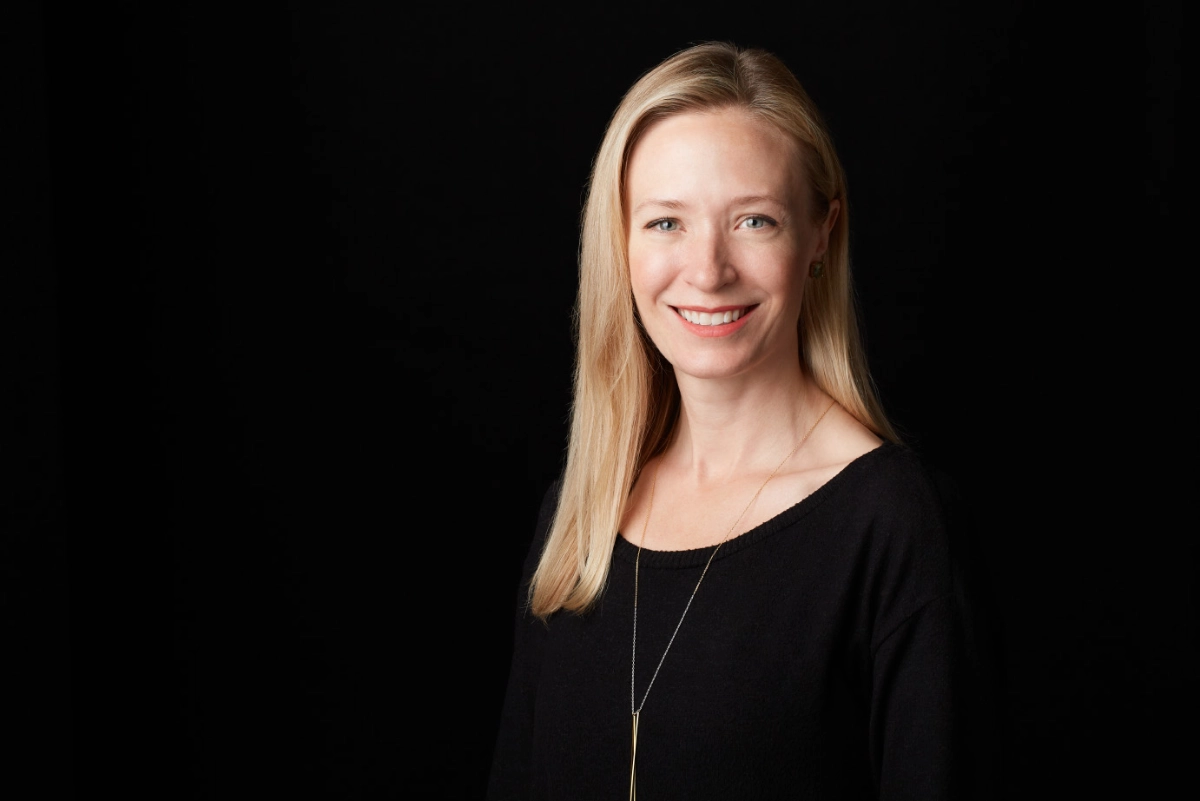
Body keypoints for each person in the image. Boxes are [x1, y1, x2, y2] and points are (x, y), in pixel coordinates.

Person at [488, 42, 997, 800]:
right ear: (619, 242)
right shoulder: (578, 511)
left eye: (753, 220)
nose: (707, 269)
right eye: (665, 224)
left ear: (821, 233)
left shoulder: (893, 525)